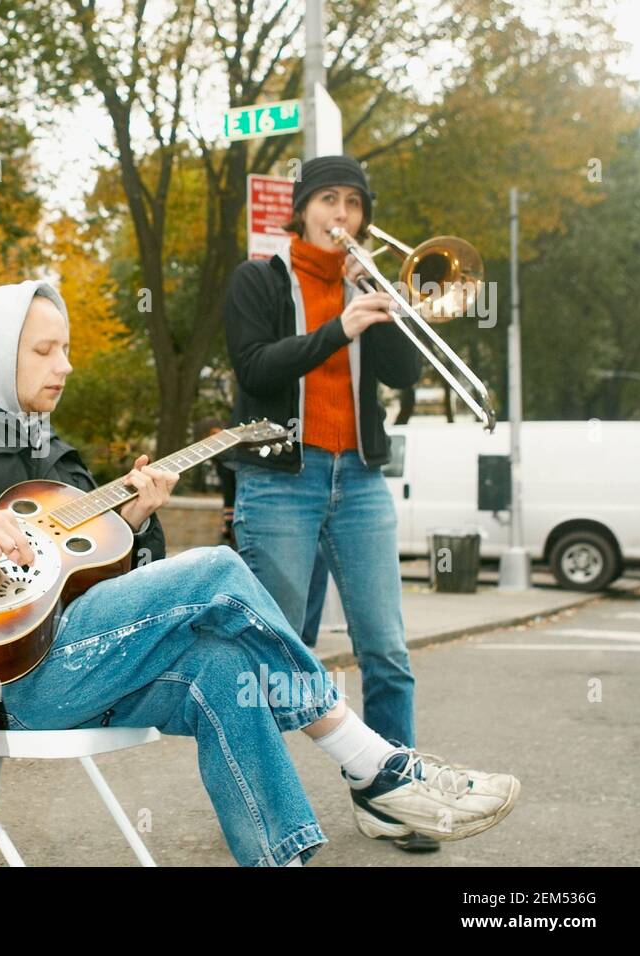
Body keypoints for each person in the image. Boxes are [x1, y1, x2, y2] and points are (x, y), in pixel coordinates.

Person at [0, 279, 520, 865]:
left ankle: (282, 857)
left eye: (67, 348)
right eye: (44, 350)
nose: (65, 365)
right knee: (218, 568)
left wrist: (132, 524)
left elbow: (106, 586)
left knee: (220, 667)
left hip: (76, 663)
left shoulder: (61, 460)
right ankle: (371, 761)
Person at [223, 154, 435, 850]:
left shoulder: (365, 281)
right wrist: (340, 327)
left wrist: (385, 305)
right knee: (276, 652)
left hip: (361, 479)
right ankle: (268, 808)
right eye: (328, 200)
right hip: (282, 479)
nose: (341, 213)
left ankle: (392, 795)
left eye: (353, 202)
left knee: (387, 648)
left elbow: (404, 377)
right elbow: (255, 369)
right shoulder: (258, 279)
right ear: (303, 208)